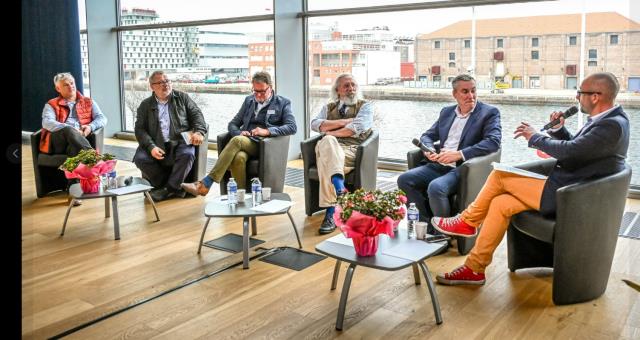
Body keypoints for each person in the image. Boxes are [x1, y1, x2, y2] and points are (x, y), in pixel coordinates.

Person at [431, 72, 630, 285]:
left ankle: (467, 221)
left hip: (572, 197)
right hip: (569, 186)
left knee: (499, 176)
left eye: (579, 93)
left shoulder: (612, 125)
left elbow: (571, 152)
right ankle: (474, 268)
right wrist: (559, 130)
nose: (576, 97)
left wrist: (535, 137)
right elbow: (581, 149)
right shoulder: (607, 120)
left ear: (595, 96)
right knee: (500, 203)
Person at [397, 74, 502, 235]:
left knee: (436, 187)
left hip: (464, 169)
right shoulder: (446, 112)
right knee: (404, 179)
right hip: (438, 164)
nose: (471, 96)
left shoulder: (489, 112)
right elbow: (427, 136)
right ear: (455, 94)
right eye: (465, 91)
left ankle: (443, 236)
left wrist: (459, 154)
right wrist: (429, 150)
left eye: (473, 90)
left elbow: (493, 141)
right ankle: (426, 227)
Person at [180, 71, 297, 196]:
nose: (258, 95)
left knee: (237, 140)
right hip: (246, 142)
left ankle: (206, 183)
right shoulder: (249, 101)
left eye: (262, 91)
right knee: (238, 158)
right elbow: (232, 124)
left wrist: (267, 131)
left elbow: (292, 127)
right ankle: (240, 197)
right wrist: (240, 132)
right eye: (255, 91)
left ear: (270, 87)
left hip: (265, 145)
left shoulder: (283, 103)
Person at [311, 73, 374, 235]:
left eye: (353, 85)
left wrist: (330, 130)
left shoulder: (365, 106)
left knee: (327, 149)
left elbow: (354, 129)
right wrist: (343, 122)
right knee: (328, 144)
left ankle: (331, 211)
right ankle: (340, 192)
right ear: (337, 90)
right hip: (330, 149)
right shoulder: (328, 107)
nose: (351, 89)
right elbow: (315, 124)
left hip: (353, 150)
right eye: (346, 86)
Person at [133, 70, 208, 202]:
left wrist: (199, 132)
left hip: (180, 141)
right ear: (152, 86)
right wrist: (151, 147)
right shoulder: (145, 105)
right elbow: (140, 130)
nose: (165, 84)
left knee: (187, 155)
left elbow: (197, 115)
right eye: (161, 82)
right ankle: (172, 186)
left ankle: (167, 190)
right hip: (156, 143)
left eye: (167, 81)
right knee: (140, 158)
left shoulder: (182, 98)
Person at [41, 72, 108, 206]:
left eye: (72, 83)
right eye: (66, 85)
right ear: (58, 88)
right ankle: (94, 158)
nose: (71, 86)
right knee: (68, 130)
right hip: (58, 140)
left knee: (74, 149)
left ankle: (73, 192)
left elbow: (102, 118)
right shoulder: (51, 104)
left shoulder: (88, 102)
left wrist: (90, 126)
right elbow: (47, 123)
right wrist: (70, 129)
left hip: (77, 141)